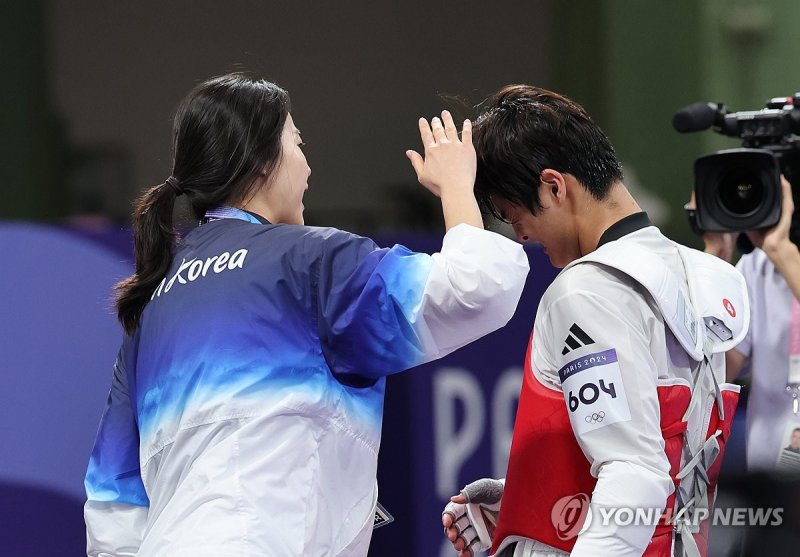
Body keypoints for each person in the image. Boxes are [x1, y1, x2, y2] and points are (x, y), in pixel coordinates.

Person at [83, 73, 530, 557]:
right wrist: (458, 187)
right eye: (297, 142)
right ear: (261, 162)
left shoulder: (152, 308)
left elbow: (113, 511)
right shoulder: (311, 262)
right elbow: (477, 287)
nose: (308, 166)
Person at [439, 85, 750, 557]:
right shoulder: (704, 274)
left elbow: (636, 475)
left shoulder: (588, 289)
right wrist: (532, 498)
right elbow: (665, 448)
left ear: (553, 186)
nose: (520, 235)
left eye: (512, 214)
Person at [698, 175, 800, 471]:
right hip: (772, 483)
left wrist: (783, 253)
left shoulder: (778, 254)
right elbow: (717, 374)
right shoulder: (760, 264)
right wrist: (714, 263)